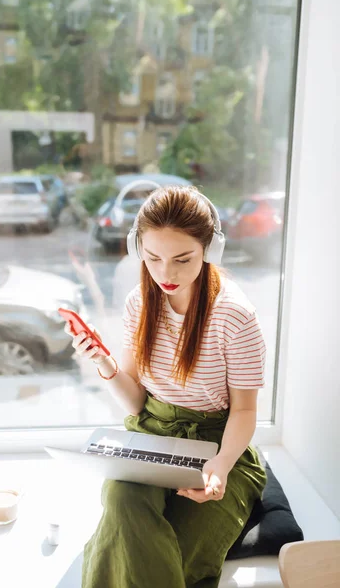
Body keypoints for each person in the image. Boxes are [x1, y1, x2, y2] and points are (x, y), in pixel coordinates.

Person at [65, 185, 267, 588]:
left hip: (217, 441)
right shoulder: (139, 302)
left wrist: (221, 466)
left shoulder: (236, 316)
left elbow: (244, 412)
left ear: (210, 252)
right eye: (153, 258)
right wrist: (104, 364)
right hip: (152, 435)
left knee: (170, 551)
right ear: (138, 248)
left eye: (182, 259)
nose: (165, 274)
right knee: (122, 503)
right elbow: (137, 402)